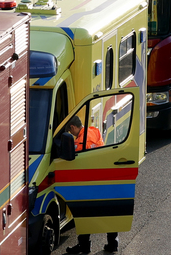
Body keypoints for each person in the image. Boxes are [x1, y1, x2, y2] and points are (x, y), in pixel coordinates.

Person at [67, 109, 119, 255]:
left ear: (72, 127)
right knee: (108, 211)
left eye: (70, 131)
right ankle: (112, 243)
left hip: (89, 182)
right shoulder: (94, 131)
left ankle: (84, 246)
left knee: (84, 214)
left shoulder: (80, 142)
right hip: (104, 177)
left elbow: (76, 162)